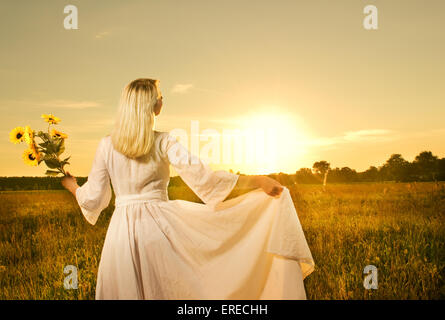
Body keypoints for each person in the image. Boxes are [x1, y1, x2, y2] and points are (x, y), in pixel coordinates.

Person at [61, 78, 314, 299]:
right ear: (154, 107)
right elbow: (204, 178)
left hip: (120, 233)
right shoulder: (164, 141)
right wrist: (256, 180)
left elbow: (93, 197)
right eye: (161, 97)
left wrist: (73, 186)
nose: (163, 100)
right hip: (158, 229)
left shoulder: (107, 145)